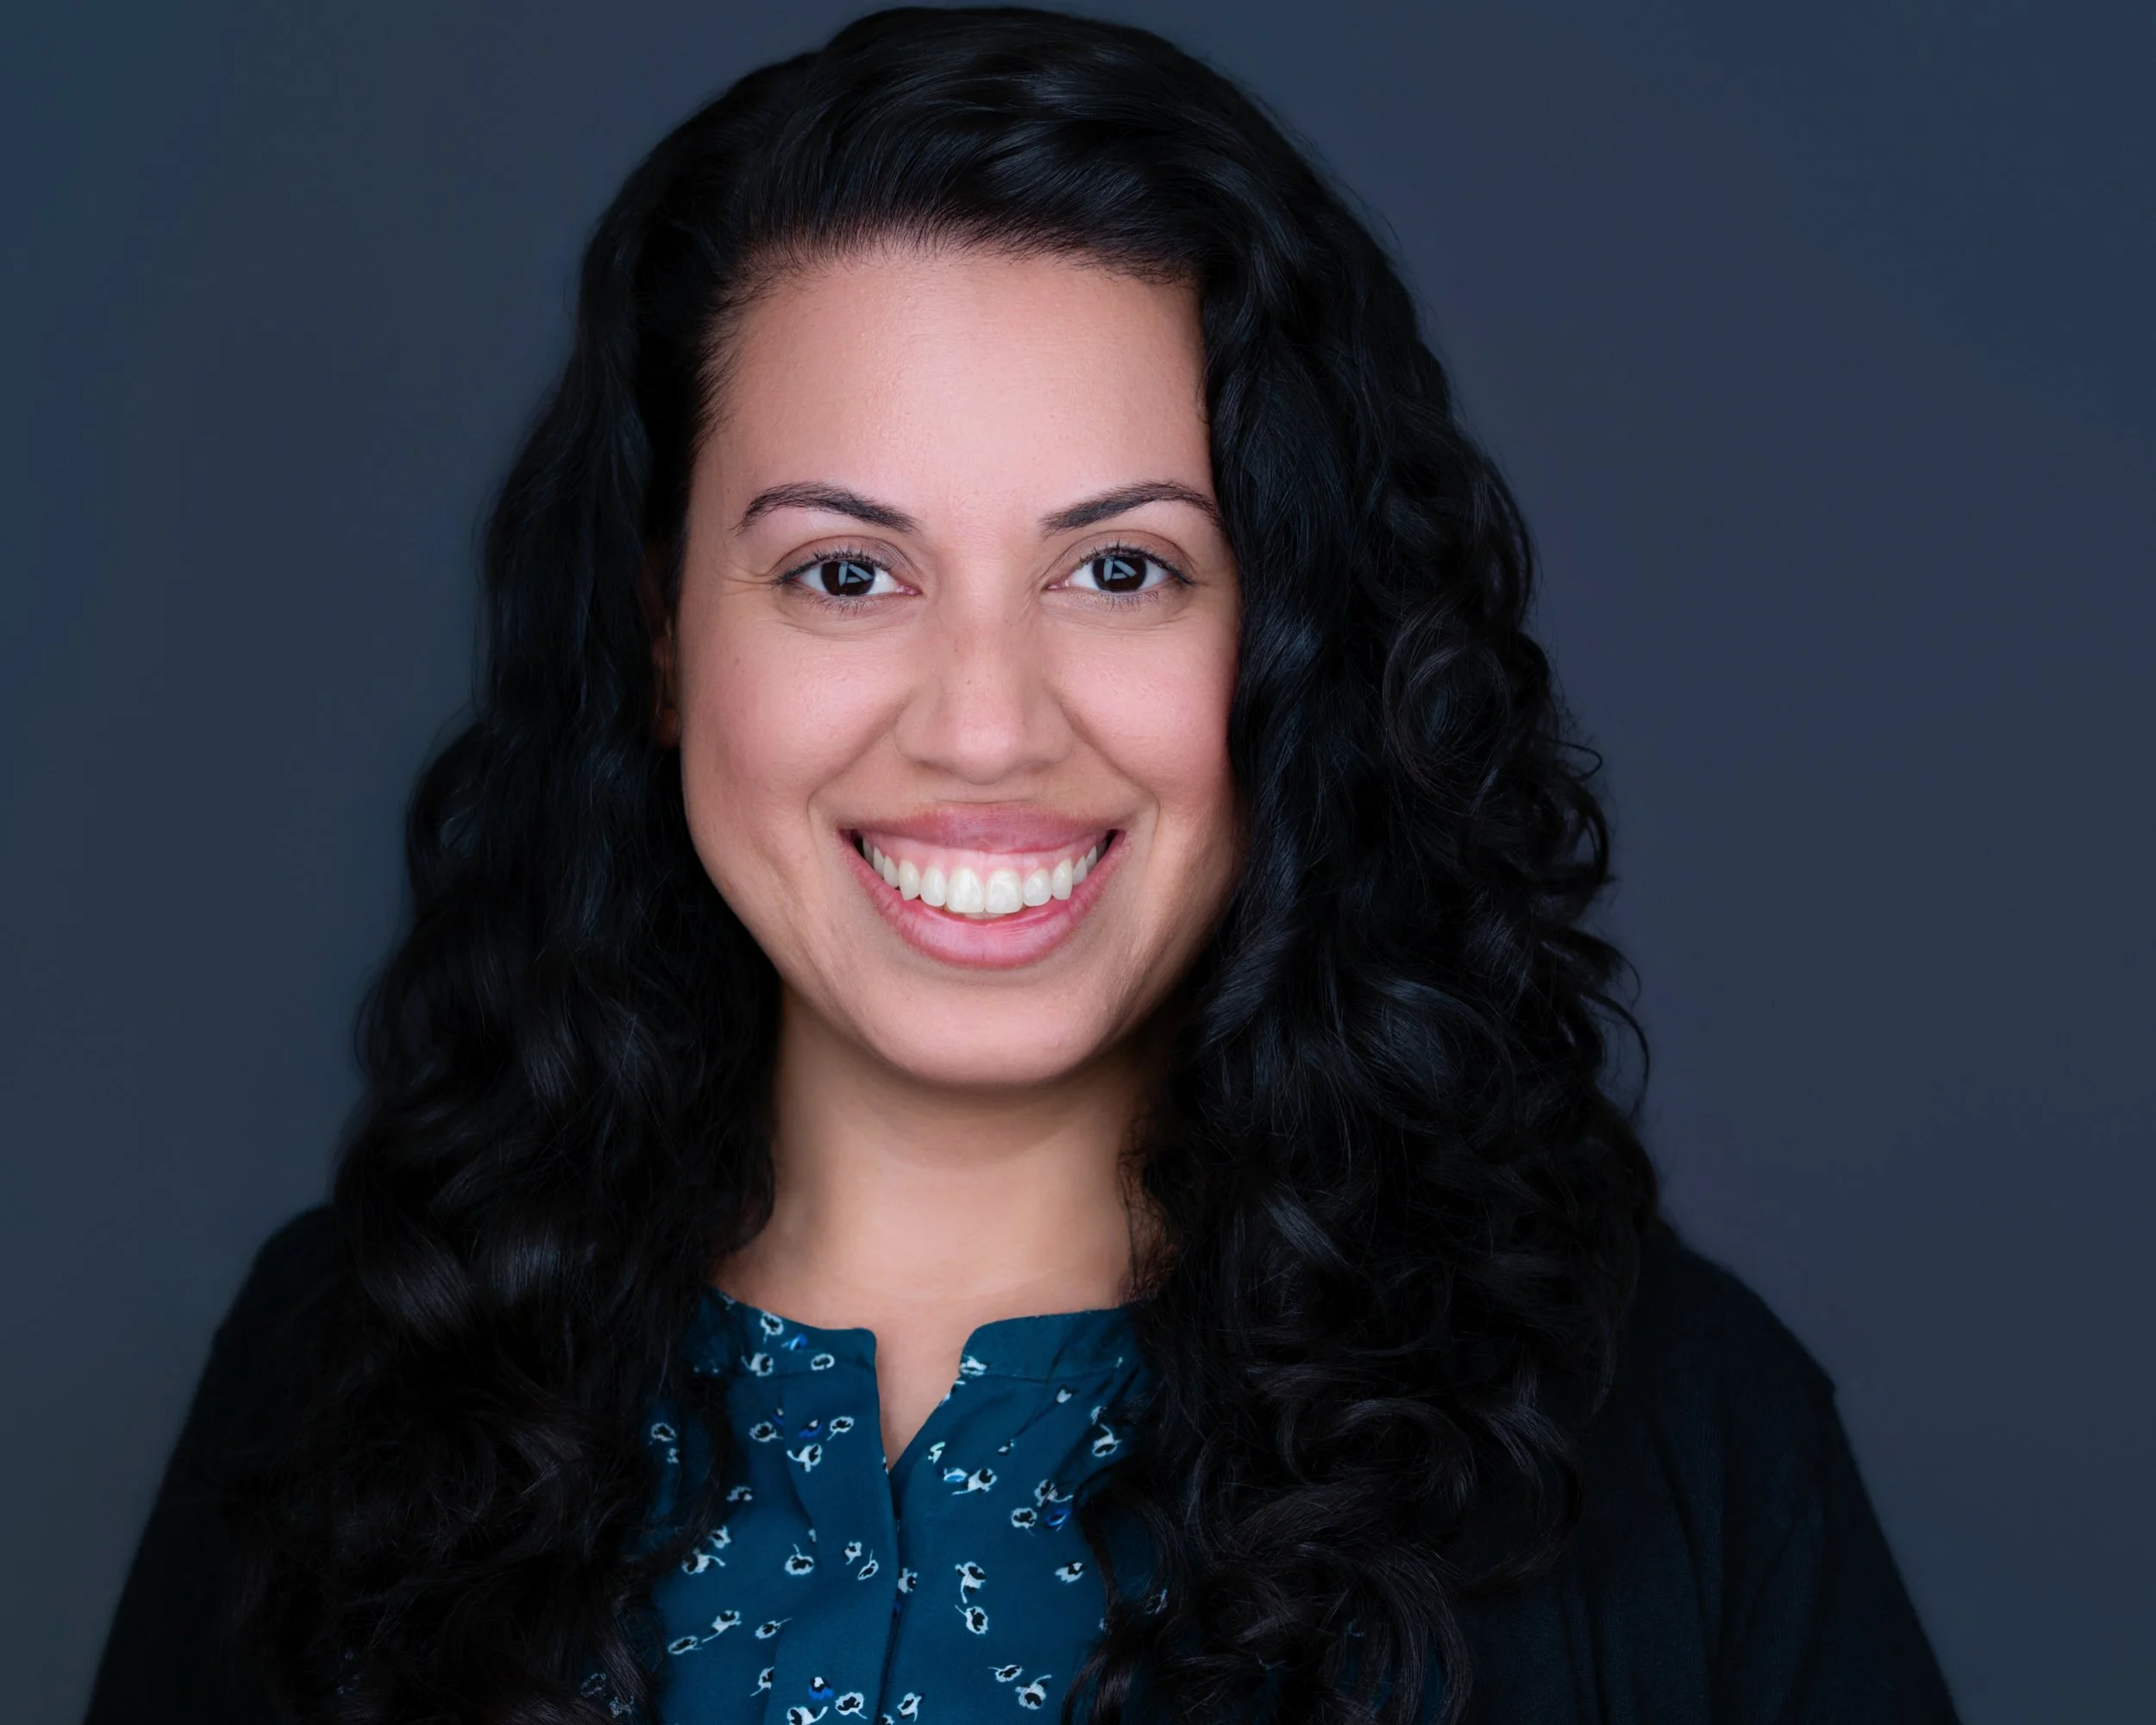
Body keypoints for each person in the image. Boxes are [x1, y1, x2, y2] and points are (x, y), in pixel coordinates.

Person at [85, 9, 1959, 1723]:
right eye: (843, 572)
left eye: (1119, 568)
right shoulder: (341, 1369)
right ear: (660, 637)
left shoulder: (1670, 1435)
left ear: (1288, 635)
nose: (984, 725)